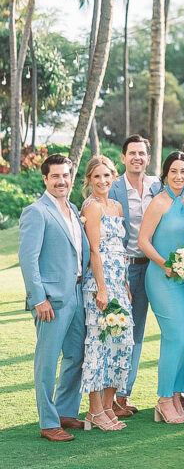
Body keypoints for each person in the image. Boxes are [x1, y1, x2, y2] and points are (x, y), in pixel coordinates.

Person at [19, 153, 90, 442]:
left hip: (77, 293)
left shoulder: (73, 209)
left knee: (77, 355)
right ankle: (49, 423)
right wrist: (39, 299)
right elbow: (28, 258)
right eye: (56, 176)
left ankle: (64, 411)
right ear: (46, 179)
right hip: (51, 299)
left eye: (66, 175)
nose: (62, 181)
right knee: (47, 362)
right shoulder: (36, 211)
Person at [138, 151, 184, 423]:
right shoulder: (158, 203)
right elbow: (144, 241)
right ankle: (163, 399)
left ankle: (176, 395)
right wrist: (164, 264)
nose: (178, 176)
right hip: (162, 278)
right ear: (165, 174)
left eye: (183, 172)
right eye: (173, 171)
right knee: (175, 336)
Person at [79, 155, 133, 431]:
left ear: (113, 177)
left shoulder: (117, 207)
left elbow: (120, 250)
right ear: (88, 180)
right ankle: (94, 411)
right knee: (99, 346)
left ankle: (109, 407)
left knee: (122, 342)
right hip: (99, 283)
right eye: (96, 176)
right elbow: (94, 251)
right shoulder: (92, 207)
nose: (102, 181)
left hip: (118, 280)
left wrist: (123, 284)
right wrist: (102, 287)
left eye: (106, 175)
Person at [108, 133, 159, 415]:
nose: (137, 158)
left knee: (137, 333)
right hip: (124, 268)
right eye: (132, 153)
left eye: (142, 153)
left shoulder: (157, 186)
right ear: (123, 157)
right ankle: (112, 397)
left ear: (148, 159)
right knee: (120, 331)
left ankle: (124, 394)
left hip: (152, 266)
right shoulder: (113, 188)